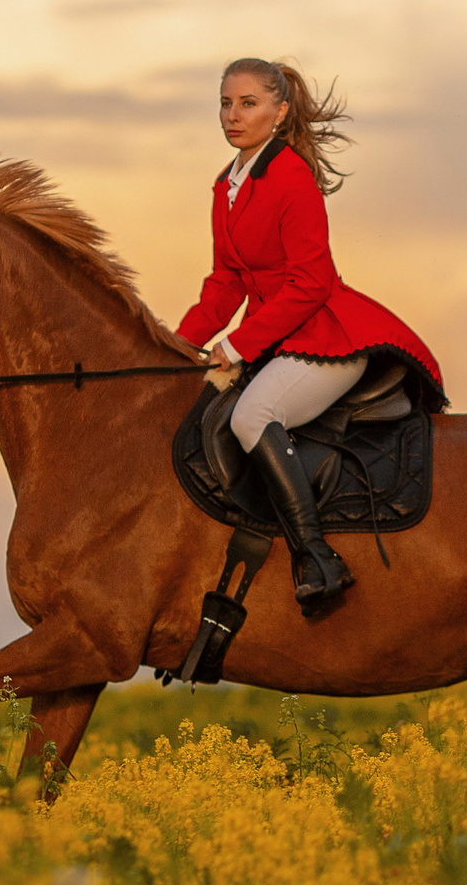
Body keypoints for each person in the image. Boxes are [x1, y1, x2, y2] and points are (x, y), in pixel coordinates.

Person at [174, 58, 447, 610]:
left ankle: (317, 557)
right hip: (277, 335)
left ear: (279, 111)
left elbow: (310, 283)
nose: (233, 115)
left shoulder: (291, 175)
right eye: (225, 103)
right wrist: (176, 346)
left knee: (253, 415)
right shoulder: (225, 185)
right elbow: (225, 282)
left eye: (248, 104)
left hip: (326, 334)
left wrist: (234, 345)